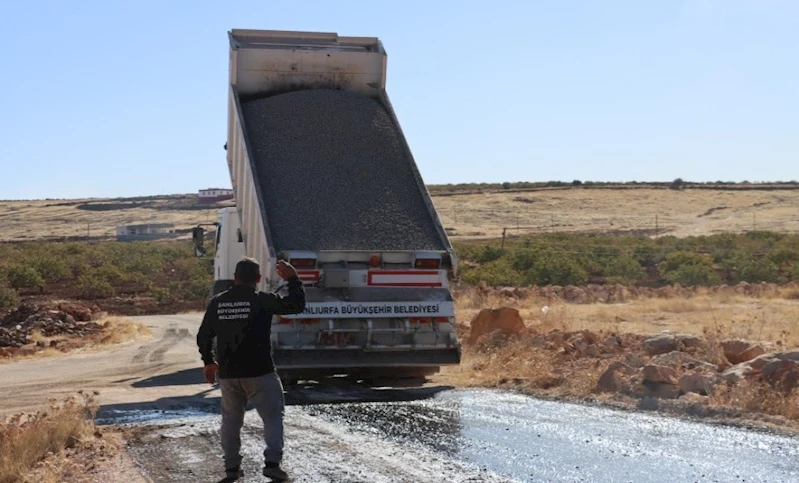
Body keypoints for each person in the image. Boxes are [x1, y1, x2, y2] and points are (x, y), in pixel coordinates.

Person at [197, 257, 305, 482]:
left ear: (234, 278)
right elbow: (296, 306)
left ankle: (231, 469)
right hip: (261, 373)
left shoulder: (218, 302)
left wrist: (208, 361)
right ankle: (272, 464)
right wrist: (293, 279)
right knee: (273, 417)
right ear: (257, 279)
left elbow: (204, 335)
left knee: (231, 420)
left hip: (228, 375)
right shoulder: (262, 300)